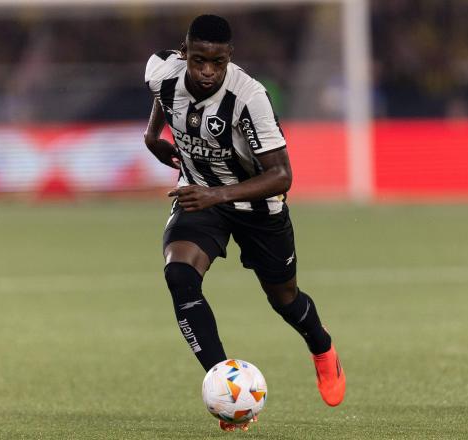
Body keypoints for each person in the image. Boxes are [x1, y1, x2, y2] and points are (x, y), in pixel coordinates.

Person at [143, 14, 345, 431]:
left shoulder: (249, 98)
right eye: (198, 60)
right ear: (185, 53)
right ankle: (225, 384)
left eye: (216, 63)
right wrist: (152, 138)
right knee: (179, 275)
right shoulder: (164, 73)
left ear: (229, 57)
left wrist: (217, 194)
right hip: (200, 197)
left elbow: (282, 175)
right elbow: (163, 97)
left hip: (258, 207)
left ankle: (322, 346)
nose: (206, 72)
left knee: (285, 300)